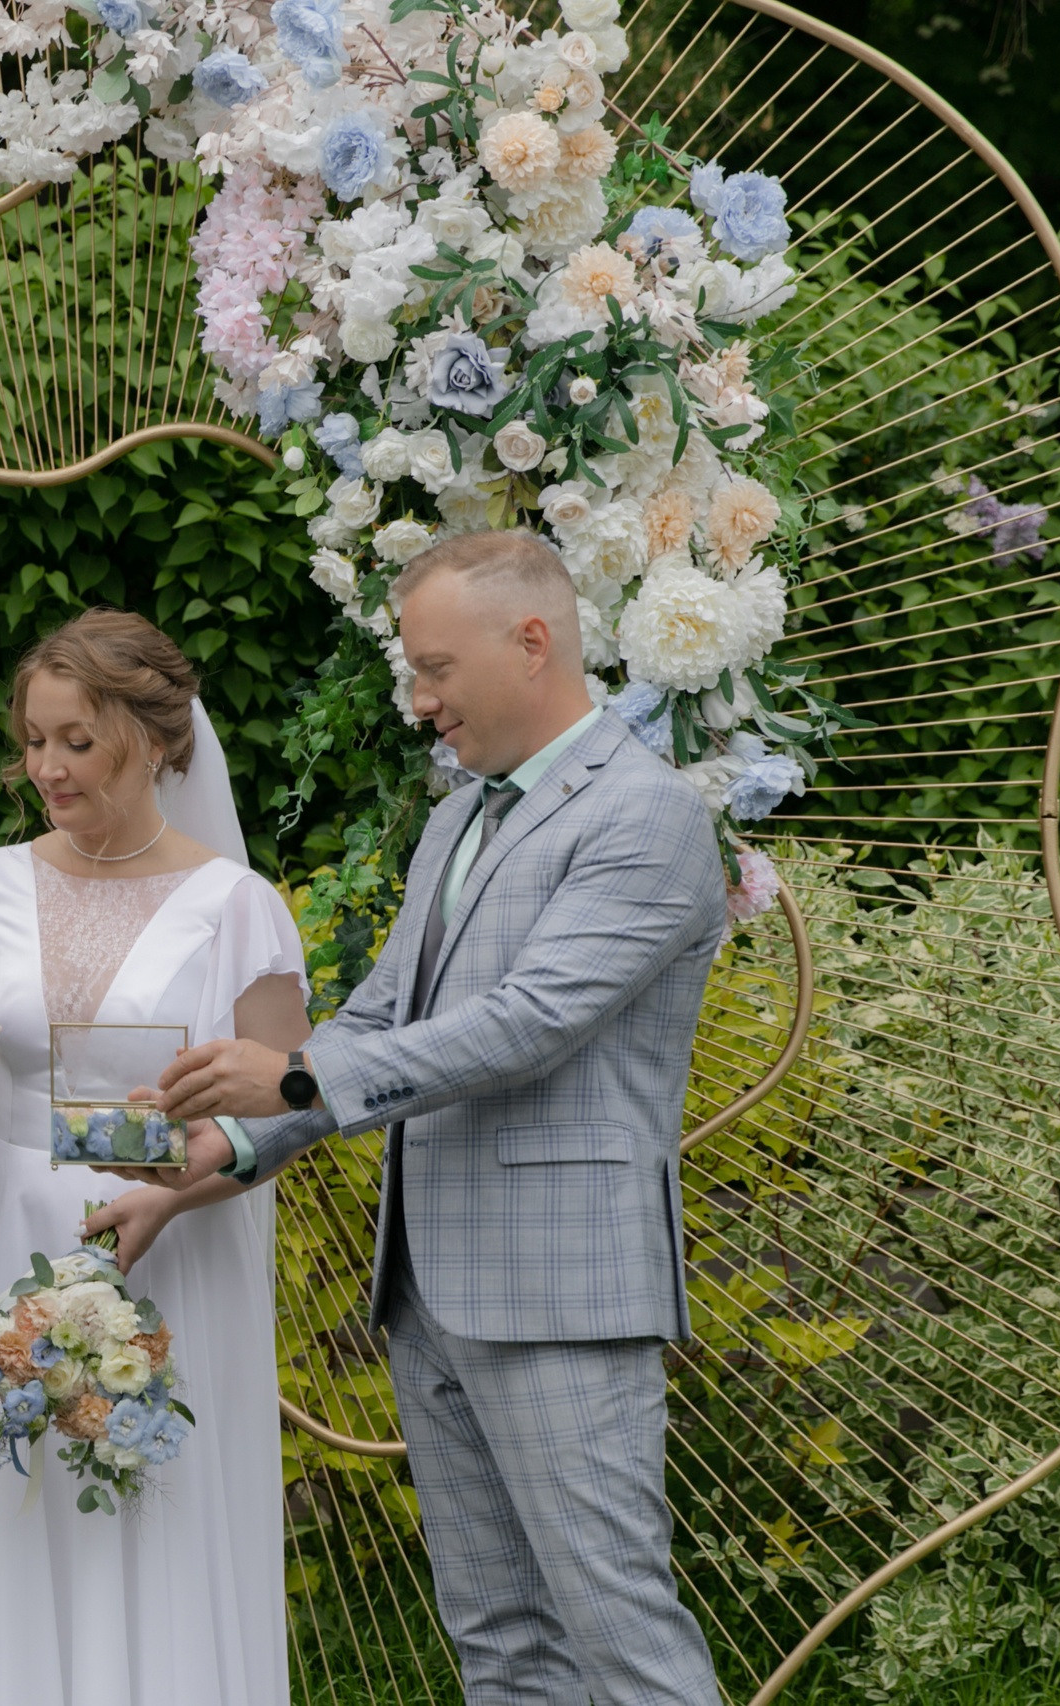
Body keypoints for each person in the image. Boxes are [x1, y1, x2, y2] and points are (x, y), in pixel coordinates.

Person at [137, 530, 729, 1706]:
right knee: (500, 1642)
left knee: (620, 1638)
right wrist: (240, 1139)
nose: (418, 702)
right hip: (428, 1288)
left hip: (561, 1293)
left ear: (531, 641)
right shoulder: (461, 820)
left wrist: (295, 1084)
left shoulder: (647, 813)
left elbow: (528, 1021)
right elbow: (380, 1013)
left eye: (434, 669)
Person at [0, 609, 308, 1706]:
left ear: (157, 738)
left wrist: (187, 1185)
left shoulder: (238, 909)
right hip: (9, 1236)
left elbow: (286, 1118)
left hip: (169, 1247)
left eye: (76, 740)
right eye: (34, 739)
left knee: (151, 1507)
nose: (47, 768)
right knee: (11, 1509)